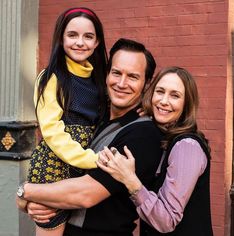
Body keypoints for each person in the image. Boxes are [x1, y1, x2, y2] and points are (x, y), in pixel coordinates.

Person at [16, 38, 164, 236]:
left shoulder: (142, 134)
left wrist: (26, 192)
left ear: (146, 84)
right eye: (116, 73)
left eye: (133, 77)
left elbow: (84, 194)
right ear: (107, 74)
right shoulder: (96, 117)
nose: (121, 83)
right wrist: (34, 203)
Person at [20, 7, 108, 236]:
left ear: (98, 42)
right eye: (72, 35)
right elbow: (52, 131)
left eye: (88, 36)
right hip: (55, 166)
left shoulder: (99, 78)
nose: (80, 42)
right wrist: (91, 159)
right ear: (61, 37)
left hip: (82, 167)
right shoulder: (51, 77)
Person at [97, 66, 214, 236]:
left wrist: (130, 179)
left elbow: (166, 220)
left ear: (186, 103)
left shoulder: (187, 146)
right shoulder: (163, 137)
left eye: (175, 96)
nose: (164, 101)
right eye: (160, 92)